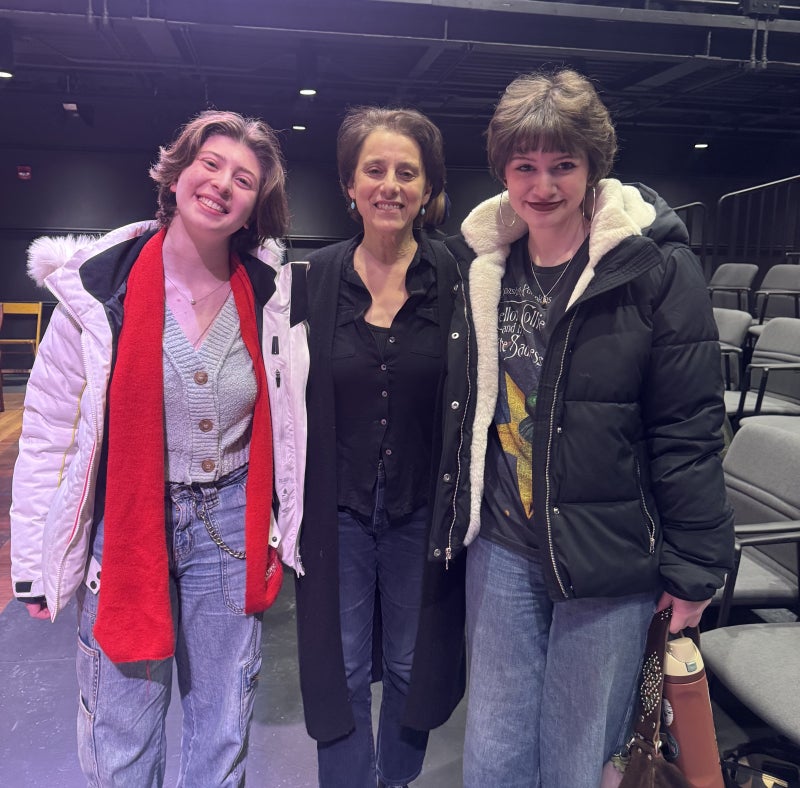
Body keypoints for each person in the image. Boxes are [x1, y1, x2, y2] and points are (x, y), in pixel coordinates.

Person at [445, 69, 735, 787]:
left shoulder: (654, 266)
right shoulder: (484, 264)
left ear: (593, 164)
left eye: (562, 165)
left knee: (577, 760)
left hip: (606, 559)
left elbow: (688, 427)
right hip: (506, 550)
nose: (542, 185)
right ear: (503, 169)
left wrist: (696, 568)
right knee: (493, 754)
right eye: (525, 166)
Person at [10, 110, 309, 787]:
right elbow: (52, 431)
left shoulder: (269, 301)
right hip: (126, 524)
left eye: (243, 179)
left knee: (223, 721)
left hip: (229, 526)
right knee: (122, 722)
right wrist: (32, 558)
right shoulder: (98, 293)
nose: (222, 184)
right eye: (210, 165)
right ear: (175, 173)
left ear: (253, 208)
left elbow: (290, 427)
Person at [295, 106, 470, 788]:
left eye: (407, 172)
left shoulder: (458, 281)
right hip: (333, 512)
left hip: (421, 513)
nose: (390, 185)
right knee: (335, 668)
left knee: (409, 664)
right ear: (350, 184)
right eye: (375, 170)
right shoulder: (312, 280)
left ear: (428, 190)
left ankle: (394, 780)